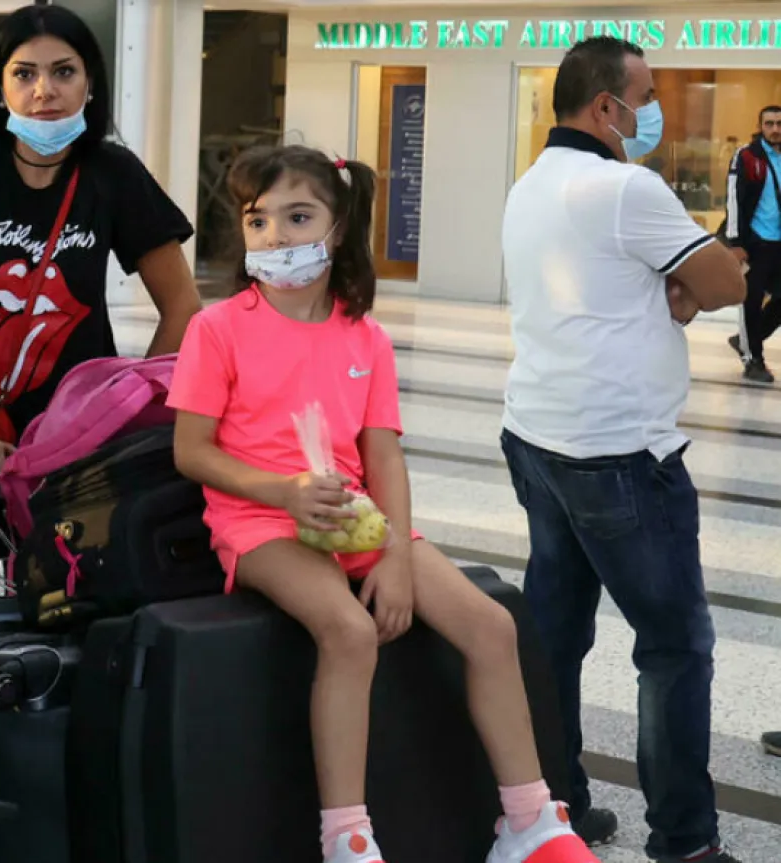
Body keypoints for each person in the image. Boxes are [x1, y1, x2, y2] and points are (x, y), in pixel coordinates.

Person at [168, 144, 596, 863]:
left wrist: (395, 551)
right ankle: (347, 835)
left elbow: (383, 454)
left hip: (355, 516)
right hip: (262, 520)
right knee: (349, 630)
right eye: (257, 220)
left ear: (338, 229)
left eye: (297, 216)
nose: (276, 236)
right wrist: (285, 493)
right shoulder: (218, 328)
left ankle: (529, 819)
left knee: (491, 626)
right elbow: (193, 450)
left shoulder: (363, 335)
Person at [500, 37, 747, 863]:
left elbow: (627, 290)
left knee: (557, 634)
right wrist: (682, 283)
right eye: (644, 95)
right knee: (674, 647)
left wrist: (666, 288)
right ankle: (684, 840)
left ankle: (558, 803)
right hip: (618, 454)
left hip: (537, 434)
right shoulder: (624, 186)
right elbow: (725, 285)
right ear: (605, 107)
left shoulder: (531, 184)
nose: (653, 111)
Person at [0, 3, 203, 629]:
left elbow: (184, 307)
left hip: (69, 456)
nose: (44, 91)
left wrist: (115, 418)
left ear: (90, 83)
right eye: (24, 73)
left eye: (64, 72)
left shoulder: (112, 174)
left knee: (64, 621)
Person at [723, 105, 781, 384]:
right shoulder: (747, 156)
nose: (775, 129)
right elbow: (733, 198)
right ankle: (752, 359)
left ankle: (747, 340)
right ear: (761, 126)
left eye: (779, 124)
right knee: (752, 301)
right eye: (769, 124)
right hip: (755, 242)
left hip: (779, 241)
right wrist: (735, 241)